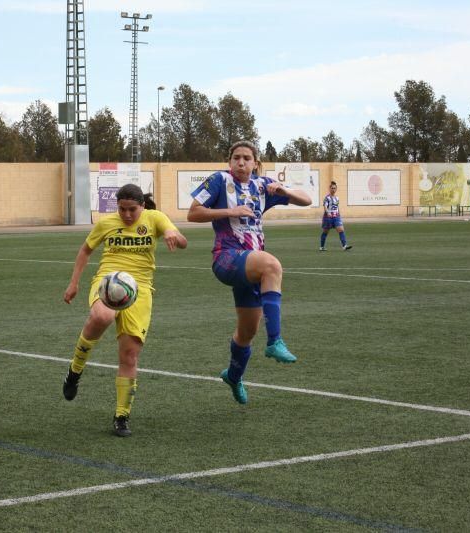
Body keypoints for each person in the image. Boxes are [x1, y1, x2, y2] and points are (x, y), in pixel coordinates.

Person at [187, 140, 311, 405]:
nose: (241, 162)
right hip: (227, 258)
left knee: (246, 332)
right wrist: (229, 210)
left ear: (256, 162)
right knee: (272, 265)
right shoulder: (219, 180)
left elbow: (307, 200)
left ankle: (233, 376)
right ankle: (275, 341)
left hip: (249, 266)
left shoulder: (262, 185)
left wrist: (284, 190)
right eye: (236, 158)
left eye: (246, 158)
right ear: (229, 161)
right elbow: (193, 214)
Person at [62, 183, 187, 437]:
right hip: (108, 280)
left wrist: (175, 236)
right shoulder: (106, 223)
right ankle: (75, 371)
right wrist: (74, 283)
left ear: (142, 206)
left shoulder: (155, 218)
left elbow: (181, 240)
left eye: (132, 209)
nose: (127, 215)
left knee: (129, 355)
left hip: (139, 288)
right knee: (102, 315)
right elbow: (86, 250)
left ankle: (122, 415)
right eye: (122, 209)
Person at [320, 181, 352, 251]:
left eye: (334, 188)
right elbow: (325, 206)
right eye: (332, 188)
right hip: (328, 217)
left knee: (341, 230)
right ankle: (322, 247)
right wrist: (327, 212)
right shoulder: (327, 198)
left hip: (336, 217)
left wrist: (339, 215)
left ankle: (344, 246)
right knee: (325, 232)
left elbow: (337, 207)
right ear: (329, 189)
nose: (333, 189)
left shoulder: (337, 198)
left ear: (336, 189)